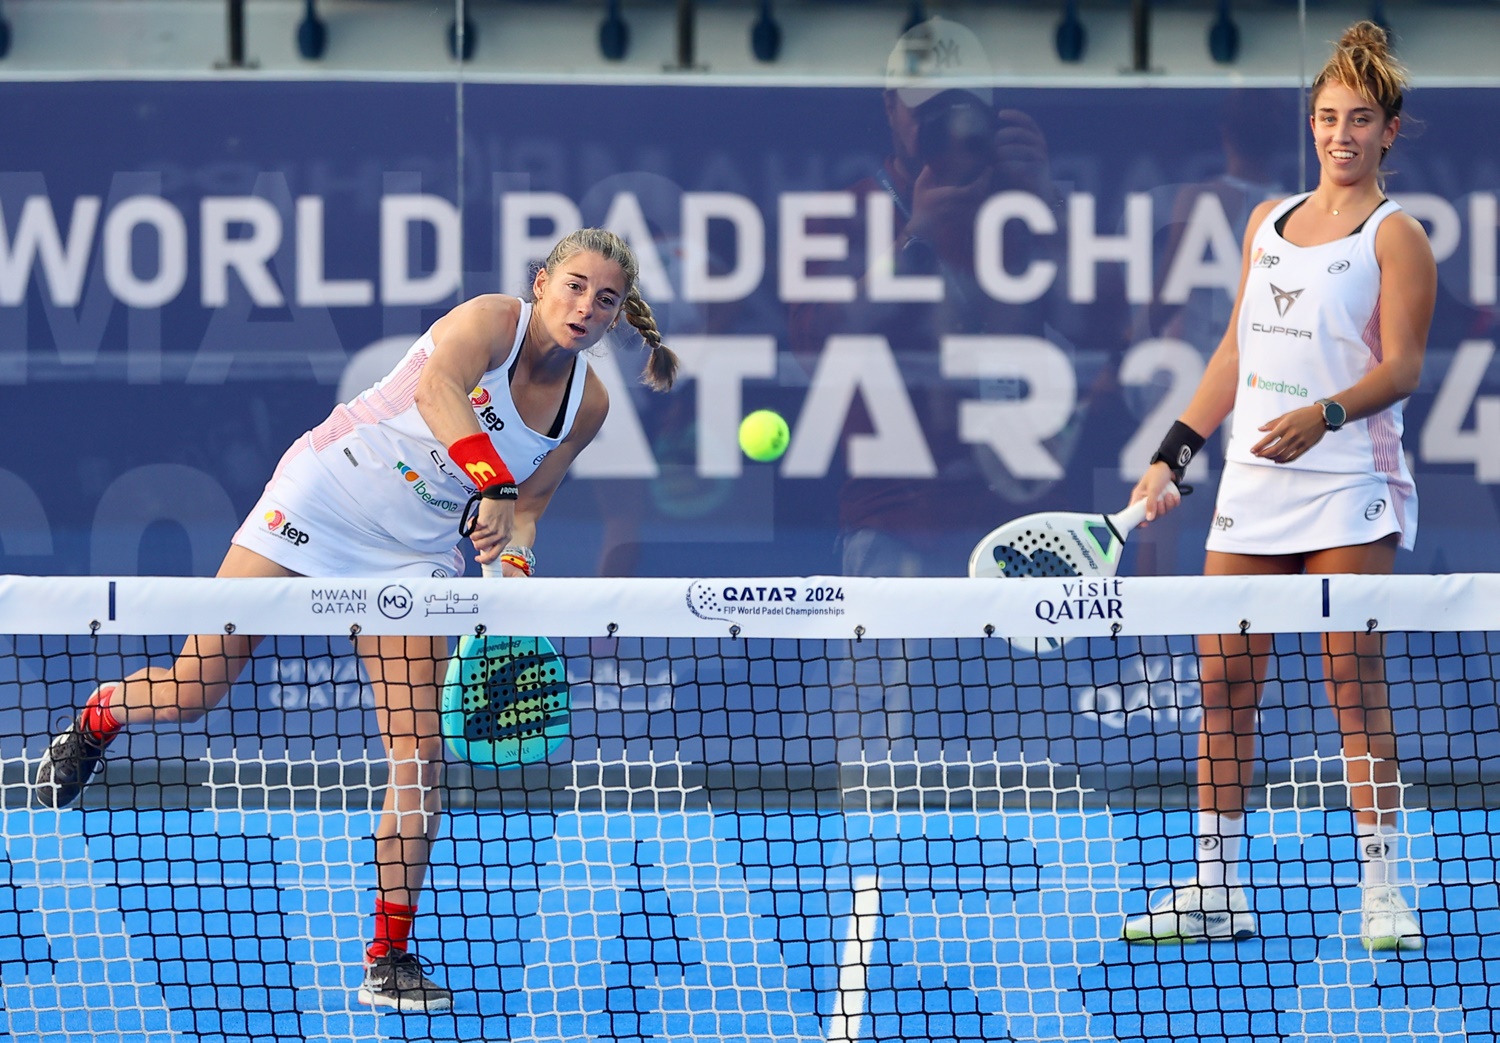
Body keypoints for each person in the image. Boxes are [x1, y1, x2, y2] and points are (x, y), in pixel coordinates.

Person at [32, 228, 678, 1010]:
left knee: (419, 754)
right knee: (196, 686)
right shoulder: (487, 323)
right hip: (323, 496)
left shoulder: (589, 403)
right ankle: (98, 717)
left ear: (616, 317)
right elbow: (439, 391)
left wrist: (509, 561)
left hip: (413, 554)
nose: (585, 306)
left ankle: (388, 953)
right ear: (541, 282)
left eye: (604, 298)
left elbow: (529, 507)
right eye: (574, 285)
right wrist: (490, 482)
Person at [1120, 22, 1434, 952]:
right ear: (1311, 124)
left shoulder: (1397, 235)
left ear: (1389, 131)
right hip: (1254, 484)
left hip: (1349, 480)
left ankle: (1382, 888)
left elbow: (1406, 367)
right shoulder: (1266, 222)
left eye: (1361, 119)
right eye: (1329, 117)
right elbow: (1234, 352)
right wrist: (1174, 451)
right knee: (1223, 679)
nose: (1342, 134)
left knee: (1350, 673)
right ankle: (1216, 885)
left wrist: (1326, 415)